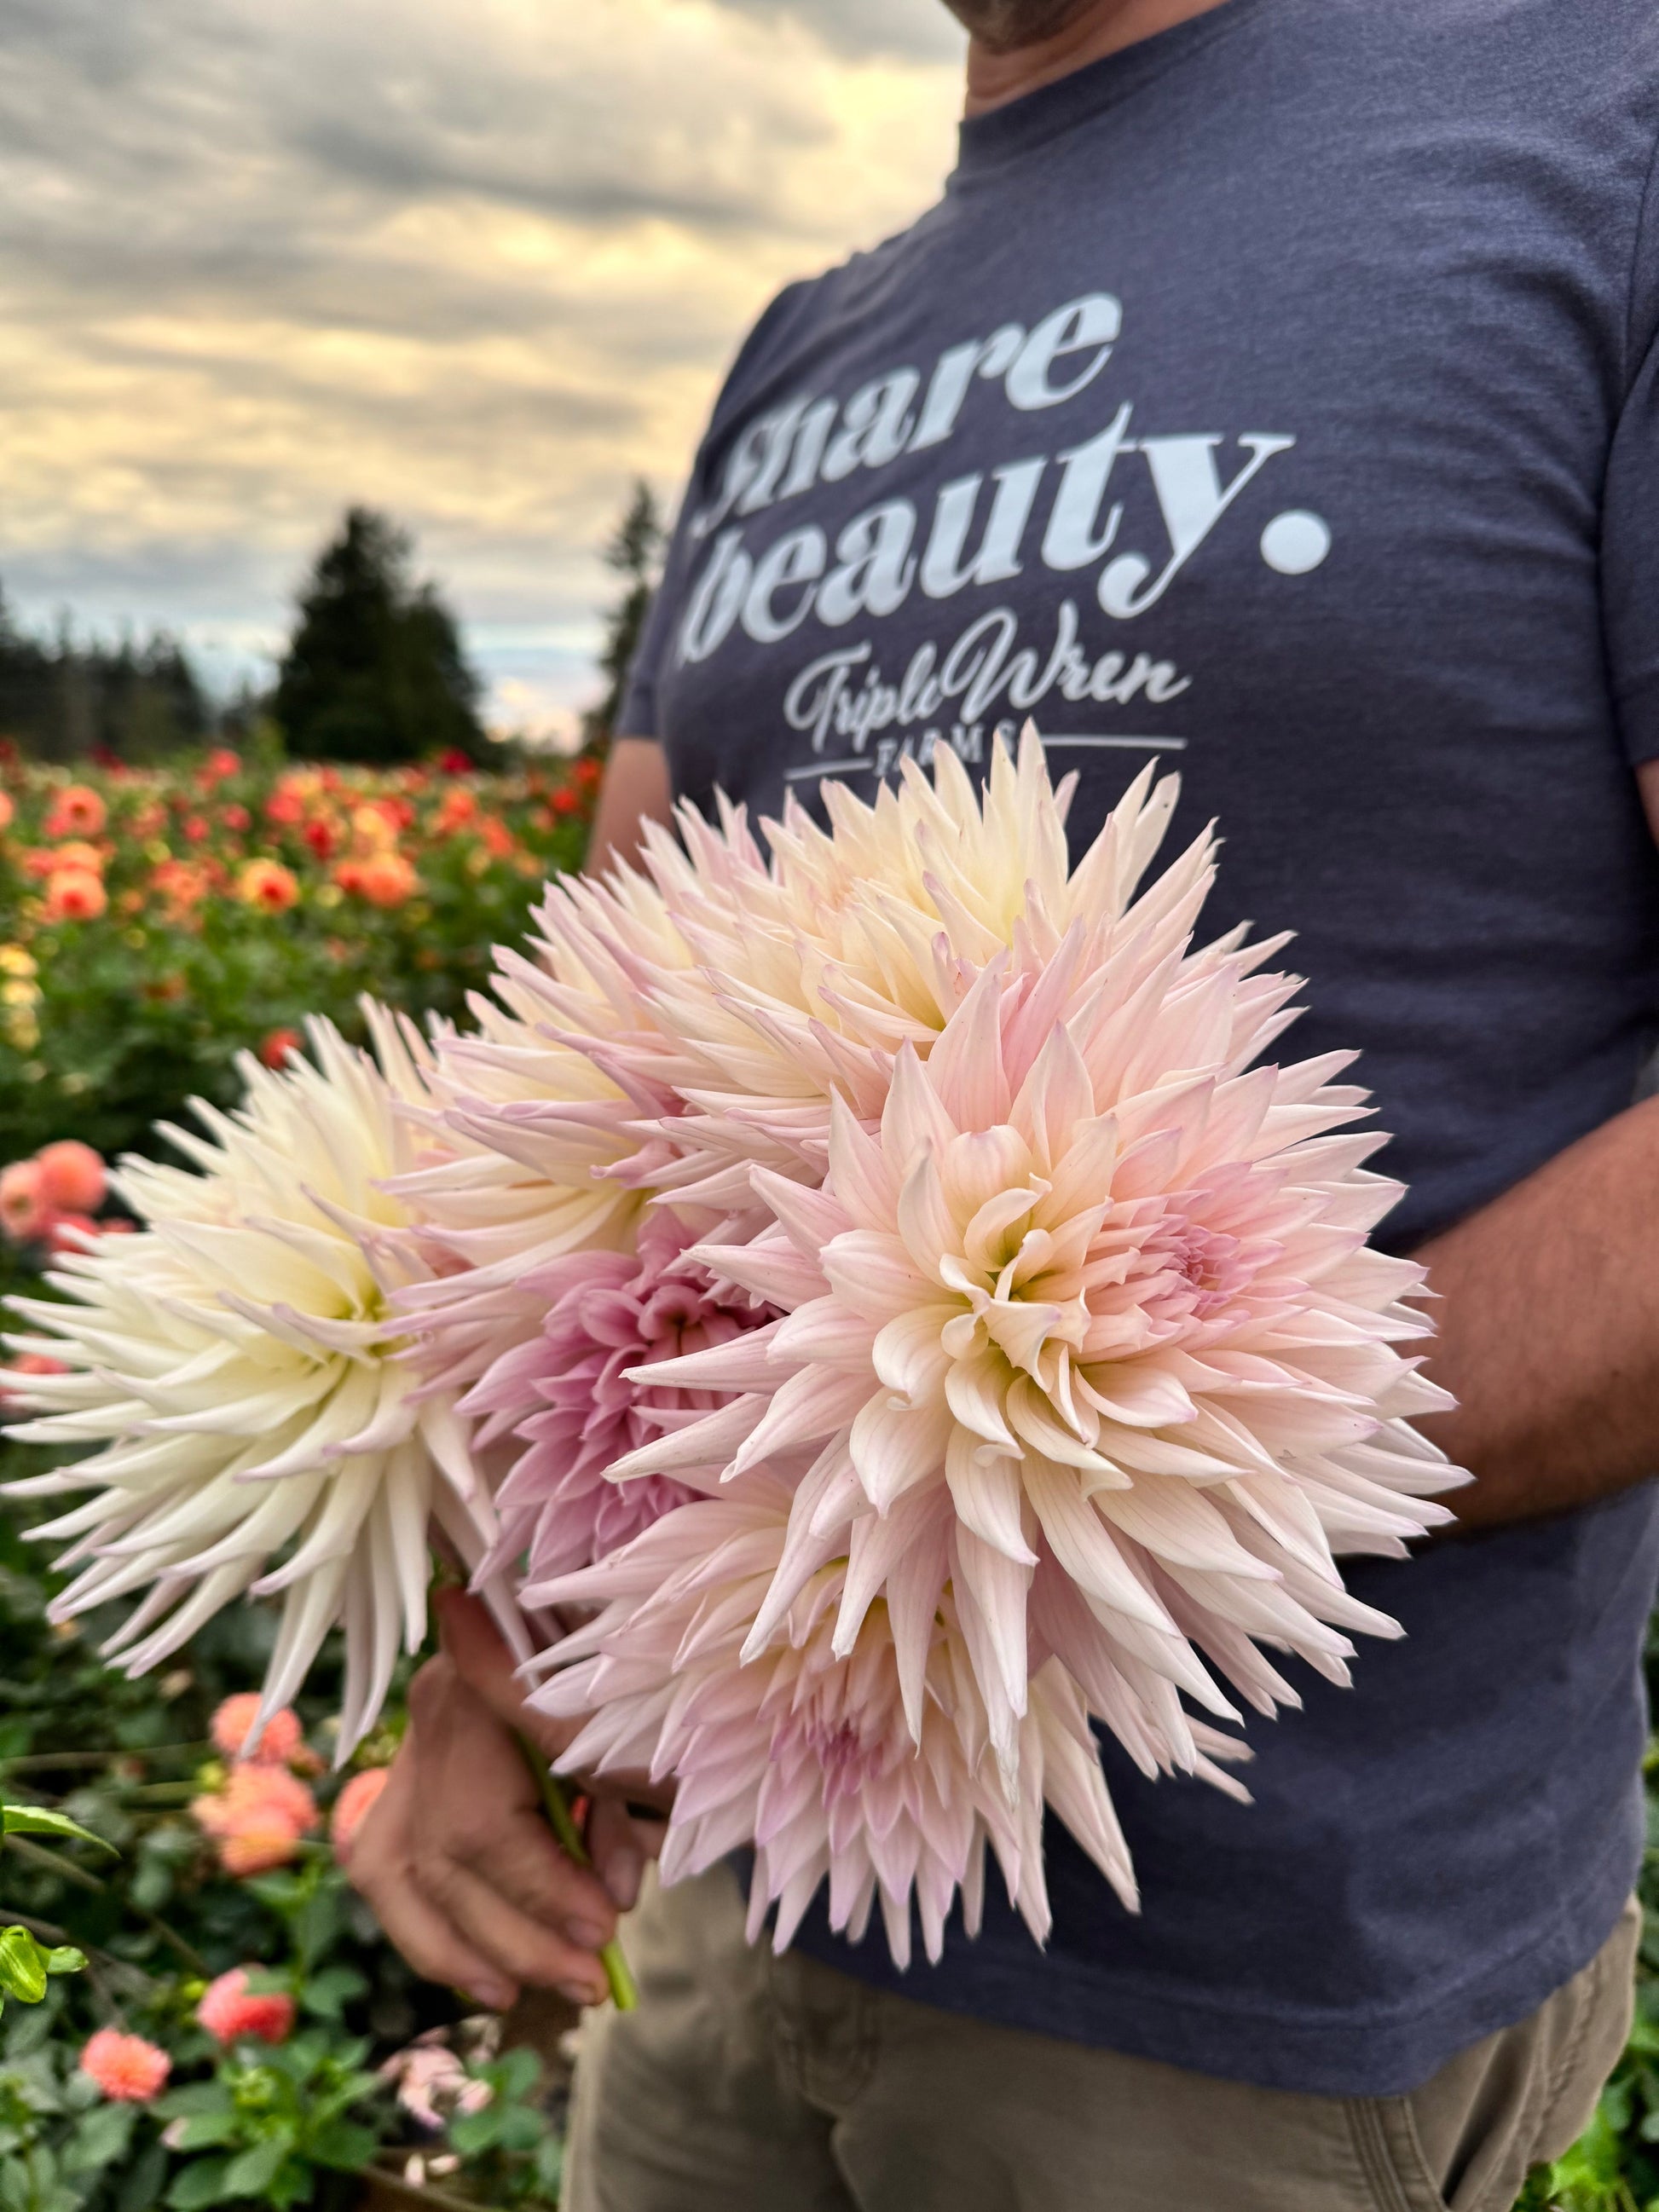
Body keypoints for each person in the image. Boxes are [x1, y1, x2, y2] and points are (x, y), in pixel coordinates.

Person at [344, 1, 1659, 2203]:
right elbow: (575, 1093)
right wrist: (499, 1640)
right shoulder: (799, 354)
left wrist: (1085, 1444)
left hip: (1241, 2011)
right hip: (738, 1882)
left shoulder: (1602, 122)